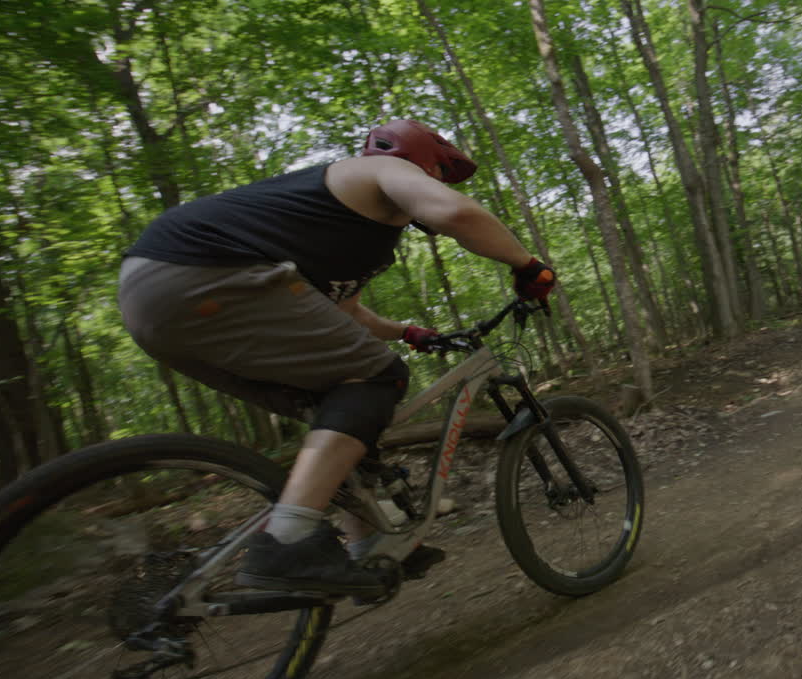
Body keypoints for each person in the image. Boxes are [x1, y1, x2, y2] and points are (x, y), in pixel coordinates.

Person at [117, 119, 556, 599]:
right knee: (378, 378)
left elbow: (343, 311)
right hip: (205, 272)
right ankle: (287, 541)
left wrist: (406, 332)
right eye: (439, 173)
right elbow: (456, 213)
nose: (439, 184)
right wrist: (528, 266)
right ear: (421, 161)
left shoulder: (350, 229)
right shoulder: (377, 171)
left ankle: (366, 549)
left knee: (340, 407)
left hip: (153, 298)